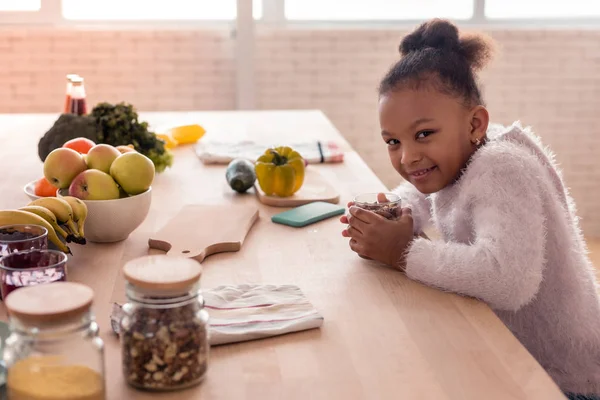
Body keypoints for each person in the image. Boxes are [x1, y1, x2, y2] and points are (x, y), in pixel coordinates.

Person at [340, 18, 600, 399]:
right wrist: (391, 211)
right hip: (520, 359)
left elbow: (507, 280)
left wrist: (401, 251)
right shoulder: (468, 152)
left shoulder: (502, 168)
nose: (408, 156)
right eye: (393, 141)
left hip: (567, 380)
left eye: (423, 134)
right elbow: (429, 193)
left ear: (476, 123)